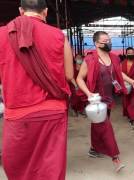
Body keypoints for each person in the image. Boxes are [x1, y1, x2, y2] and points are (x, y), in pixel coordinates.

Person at [0, 0, 74, 179]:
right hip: (53, 111)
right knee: (50, 168)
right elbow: (70, 75)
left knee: (19, 167)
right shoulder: (58, 35)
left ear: (20, 10)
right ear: (46, 12)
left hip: (18, 112)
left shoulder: (2, 34)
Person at [77, 31, 134, 173]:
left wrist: (132, 81)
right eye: (105, 41)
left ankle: (94, 149)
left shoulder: (114, 58)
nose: (109, 42)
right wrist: (88, 93)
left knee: (98, 126)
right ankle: (115, 158)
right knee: (106, 127)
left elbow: (118, 73)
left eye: (109, 40)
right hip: (96, 100)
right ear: (96, 43)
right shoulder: (90, 60)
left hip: (109, 99)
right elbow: (79, 78)